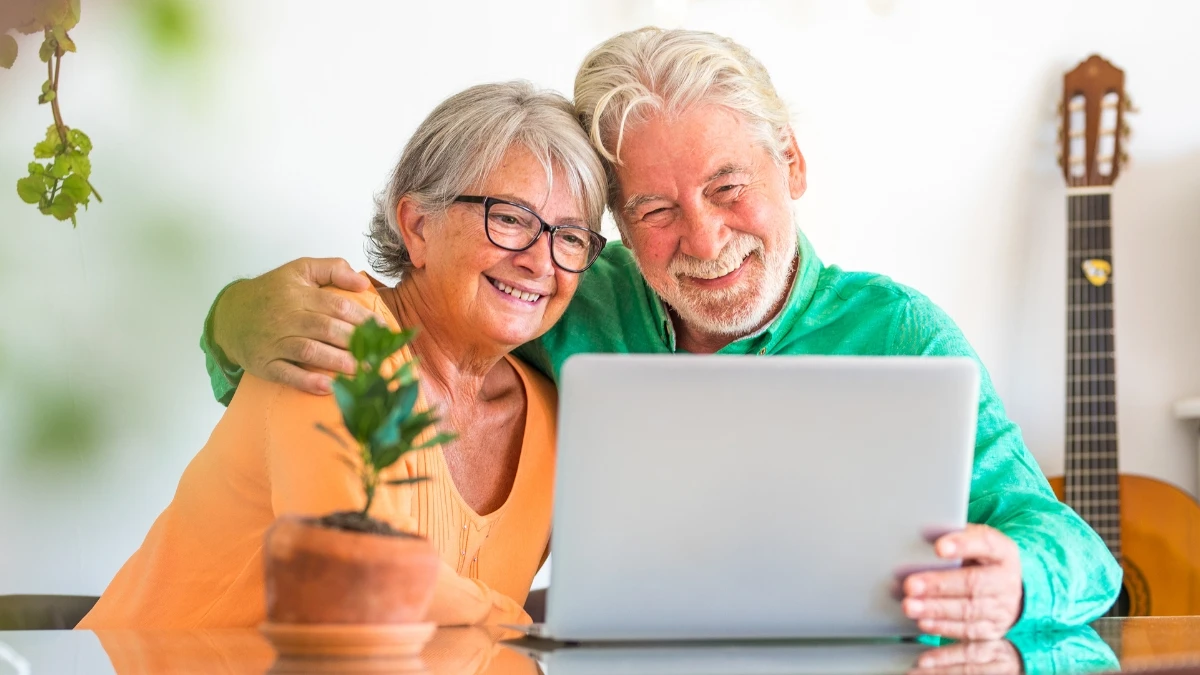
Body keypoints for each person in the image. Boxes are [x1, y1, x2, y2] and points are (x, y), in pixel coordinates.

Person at [198, 28, 1122, 639]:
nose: (707, 240)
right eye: (655, 208)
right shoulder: (565, 293)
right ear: (613, 221)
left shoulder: (900, 331)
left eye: (728, 188)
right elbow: (411, 331)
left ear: (791, 164)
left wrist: (1019, 579)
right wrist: (232, 316)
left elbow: (1078, 547)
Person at [76, 81, 608, 629]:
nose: (540, 262)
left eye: (570, 237)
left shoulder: (551, 415)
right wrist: (531, 632)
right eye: (511, 218)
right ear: (418, 226)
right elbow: (355, 579)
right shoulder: (334, 332)